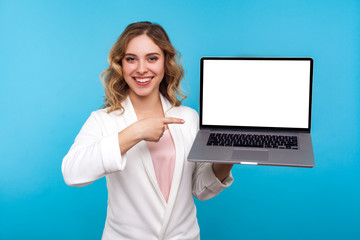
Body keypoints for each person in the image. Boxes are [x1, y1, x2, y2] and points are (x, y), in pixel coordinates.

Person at [62, 21, 234, 240]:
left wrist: (229, 155)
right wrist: (136, 132)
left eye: (152, 58)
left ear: (165, 63)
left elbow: (201, 189)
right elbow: (72, 172)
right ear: (120, 64)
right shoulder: (103, 120)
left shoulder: (188, 118)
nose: (141, 69)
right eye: (131, 59)